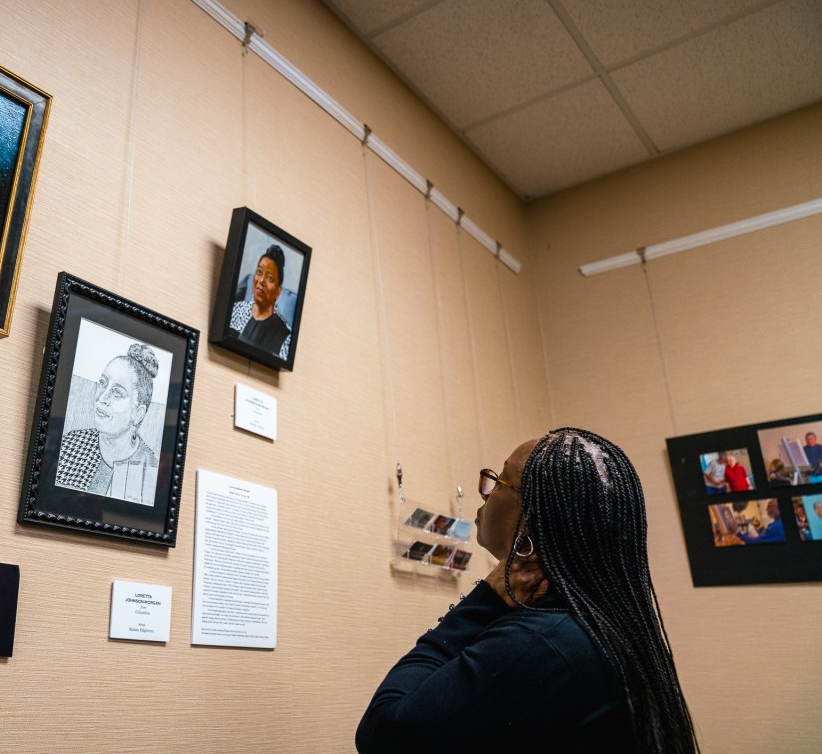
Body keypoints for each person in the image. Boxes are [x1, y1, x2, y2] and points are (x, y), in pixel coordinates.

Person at [356, 429, 698, 753]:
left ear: (533, 516)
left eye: (499, 480)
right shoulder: (597, 627)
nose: (485, 492)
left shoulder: (543, 644)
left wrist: (482, 602)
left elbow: (383, 733)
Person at [54, 343, 160, 506]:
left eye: (117, 392)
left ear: (138, 413)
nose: (102, 397)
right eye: (103, 383)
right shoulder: (70, 444)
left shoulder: (152, 469)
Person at [228, 244, 292, 359]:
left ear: (278, 291)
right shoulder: (234, 311)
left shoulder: (285, 335)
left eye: (270, 278)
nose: (261, 280)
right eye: (259, 272)